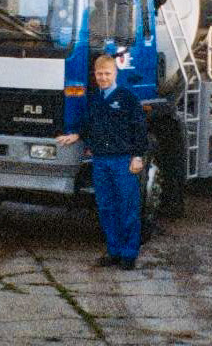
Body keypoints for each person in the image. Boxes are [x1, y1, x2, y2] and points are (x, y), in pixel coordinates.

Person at [56, 55, 148, 270]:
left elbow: (140, 128)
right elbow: (89, 124)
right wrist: (76, 135)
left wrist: (137, 156)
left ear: (115, 73)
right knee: (106, 207)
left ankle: (129, 254)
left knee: (127, 207)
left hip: (122, 161)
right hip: (100, 161)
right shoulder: (95, 99)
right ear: (95, 75)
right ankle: (113, 251)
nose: (103, 78)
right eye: (99, 74)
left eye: (107, 73)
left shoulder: (127, 98)